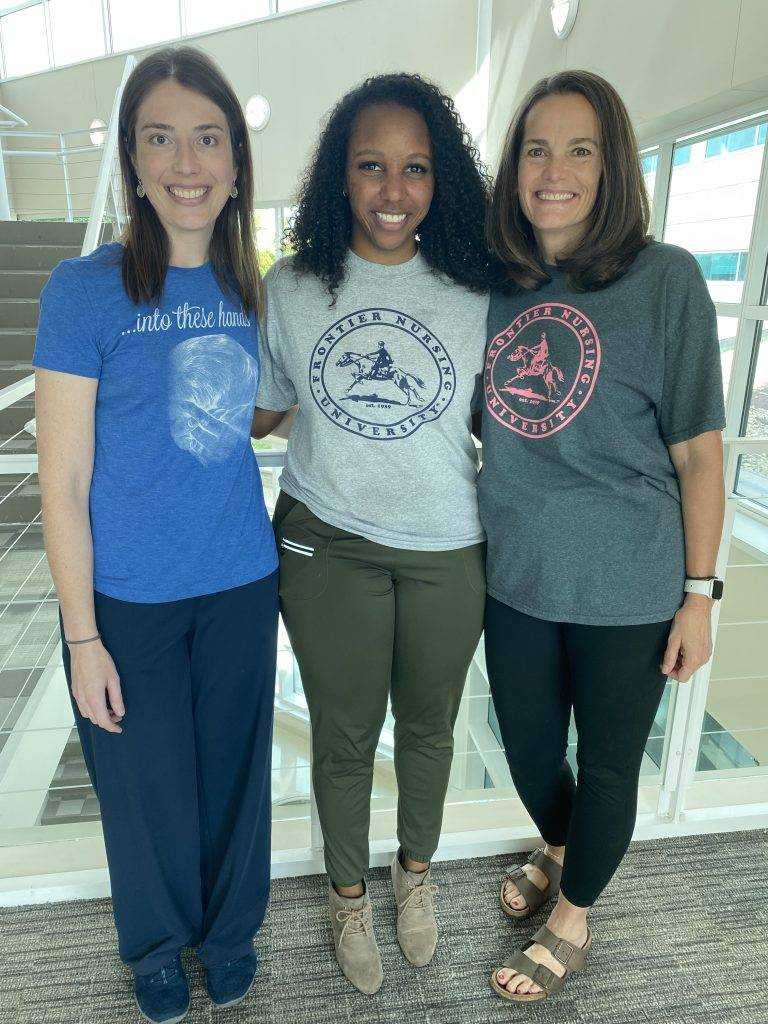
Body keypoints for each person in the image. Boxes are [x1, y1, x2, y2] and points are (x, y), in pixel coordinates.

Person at [34, 47, 277, 1024]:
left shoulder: (254, 286)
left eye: (208, 138)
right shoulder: (83, 290)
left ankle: (228, 934)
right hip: (128, 598)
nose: (187, 162)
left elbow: (255, 413)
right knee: (145, 788)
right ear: (133, 163)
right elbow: (62, 482)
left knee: (235, 781)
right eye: (161, 139)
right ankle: (154, 945)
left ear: (236, 162)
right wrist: (82, 636)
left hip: (240, 580)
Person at [480, 70, 725, 1003]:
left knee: (610, 763)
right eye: (537, 150)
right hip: (516, 574)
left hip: (629, 582)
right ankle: (560, 846)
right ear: (515, 169)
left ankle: (573, 916)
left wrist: (699, 596)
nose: (555, 171)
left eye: (579, 150)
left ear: (611, 164)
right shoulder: (497, 287)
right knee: (528, 751)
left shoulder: (666, 280)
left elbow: (699, 454)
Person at [252, 73, 496, 994]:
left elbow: (506, 413)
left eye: (415, 169)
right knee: (345, 735)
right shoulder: (292, 287)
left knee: (430, 728)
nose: (393, 191)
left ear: (441, 180)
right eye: (371, 166)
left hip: (448, 544)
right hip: (329, 540)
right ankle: (348, 898)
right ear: (339, 177)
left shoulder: (475, 290)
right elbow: (263, 410)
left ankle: (414, 877)